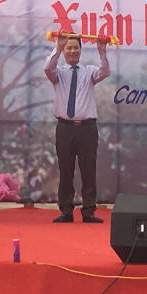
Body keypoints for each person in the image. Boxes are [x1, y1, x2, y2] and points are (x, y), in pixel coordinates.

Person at [45, 34, 109, 223]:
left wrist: (102, 52)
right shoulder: (58, 73)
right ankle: (66, 210)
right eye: (69, 48)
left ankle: (89, 210)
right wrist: (57, 48)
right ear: (64, 51)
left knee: (89, 170)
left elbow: (105, 72)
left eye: (76, 47)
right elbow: (47, 68)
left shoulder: (90, 71)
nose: (72, 51)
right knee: (66, 170)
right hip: (65, 128)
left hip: (87, 129)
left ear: (80, 50)